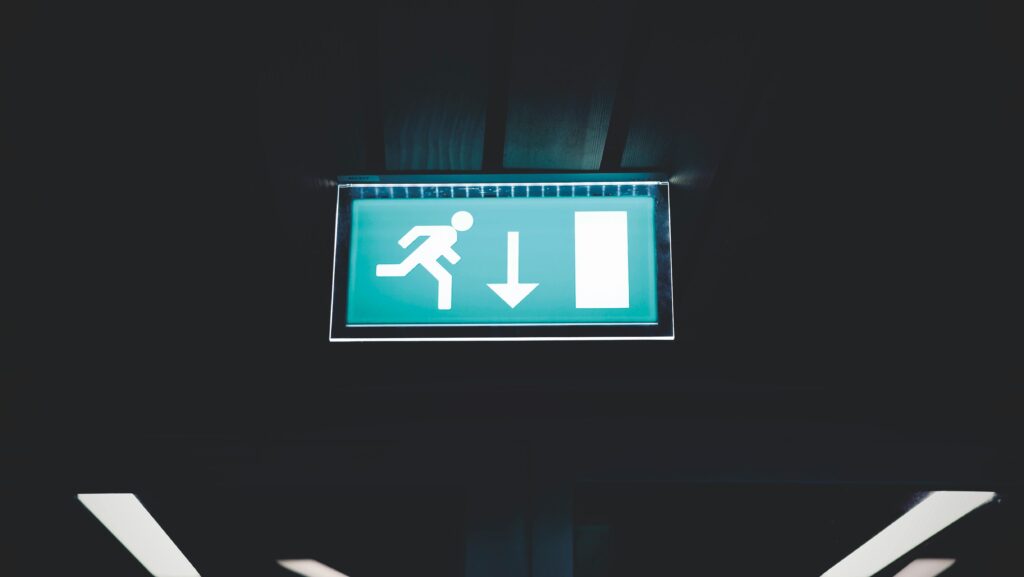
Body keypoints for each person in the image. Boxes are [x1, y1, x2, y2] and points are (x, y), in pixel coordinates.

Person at [376, 211, 474, 310]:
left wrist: (453, 258)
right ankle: (378, 272)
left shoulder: (452, 234)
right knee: (402, 270)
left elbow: (443, 248)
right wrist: (405, 241)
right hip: (422, 254)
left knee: (444, 277)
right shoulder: (445, 230)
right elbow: (419, 230)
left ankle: (444, 306)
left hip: (430, 258)